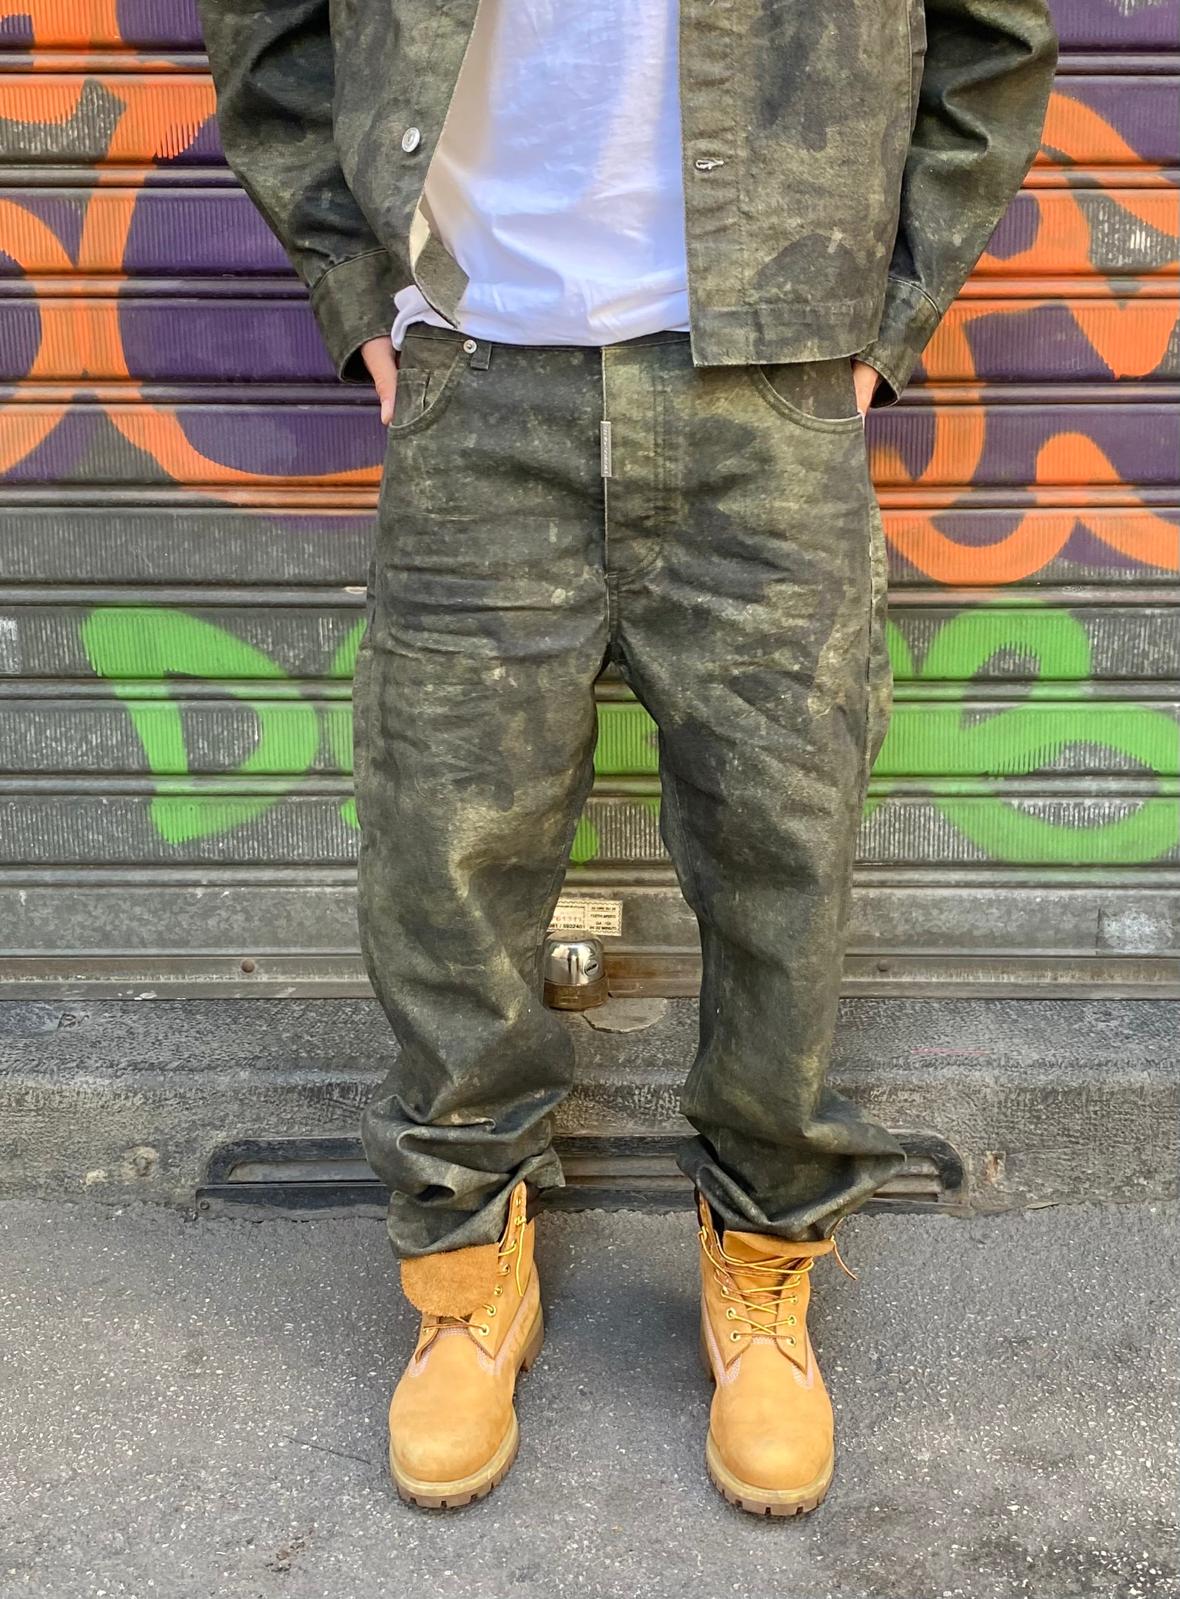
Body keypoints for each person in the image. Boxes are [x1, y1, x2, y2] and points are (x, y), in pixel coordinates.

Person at [198, 0, 1057, 1516]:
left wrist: (887, 320)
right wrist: (354, 282)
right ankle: (467, 1270)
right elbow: (267, 32)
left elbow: (991, 43)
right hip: (479, 376)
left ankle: (765, 1265)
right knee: (444, 867)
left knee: (783, 858)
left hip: (772, 387)